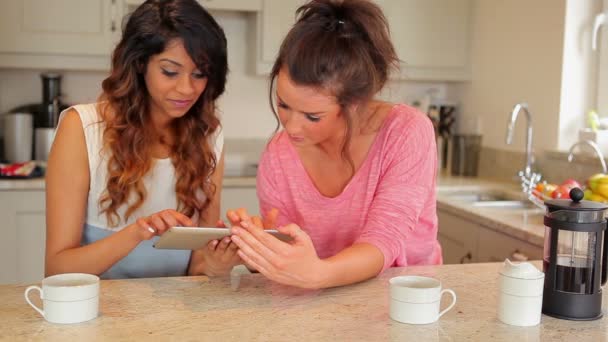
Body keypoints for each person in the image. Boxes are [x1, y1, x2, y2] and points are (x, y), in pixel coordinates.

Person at [226, 0, 442, 289]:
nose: (291, 126)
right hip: (321, 303)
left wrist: (318, 274)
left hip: (407, 302)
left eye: (312, 116)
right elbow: (294, 258)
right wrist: (260, 247)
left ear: (354, 105)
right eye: (283, 105)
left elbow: (384, 241)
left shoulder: (406, 132)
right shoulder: (278, 156)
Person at [45, 0, 241, 279]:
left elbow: (198, 270)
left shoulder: (209, 136)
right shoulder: (83, 128)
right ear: (139, 63)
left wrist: (221, 262)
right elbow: (57, 270)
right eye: (170, 71)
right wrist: (139, 231)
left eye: (200, 74)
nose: (187, 88)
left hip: (175, 316)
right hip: (100, 314)